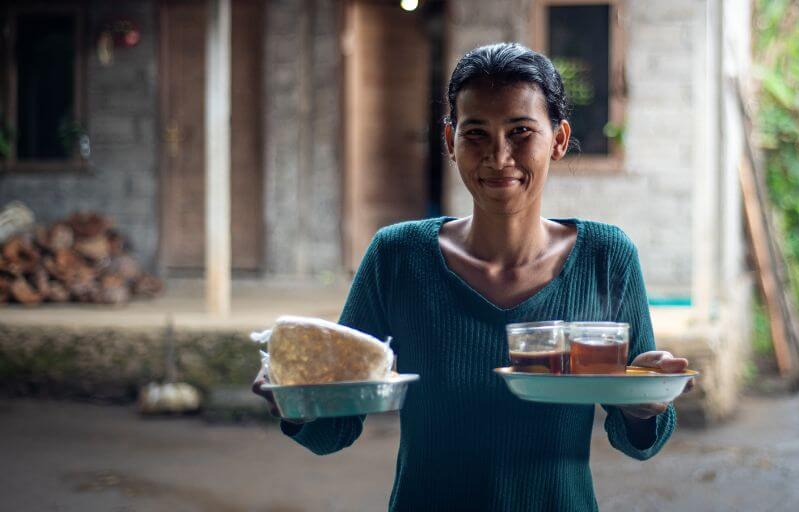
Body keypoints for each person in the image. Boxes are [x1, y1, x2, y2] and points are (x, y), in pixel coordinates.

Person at [253, 42, 690, 512]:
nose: (499, 156)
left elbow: (640, 440)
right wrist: (295, 400)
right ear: (449, 141)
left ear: (559, 139)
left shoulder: (605, 257)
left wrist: (647, 403)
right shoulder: (397, 257)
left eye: (521, 131)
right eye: (476, 133)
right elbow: (332, 431)